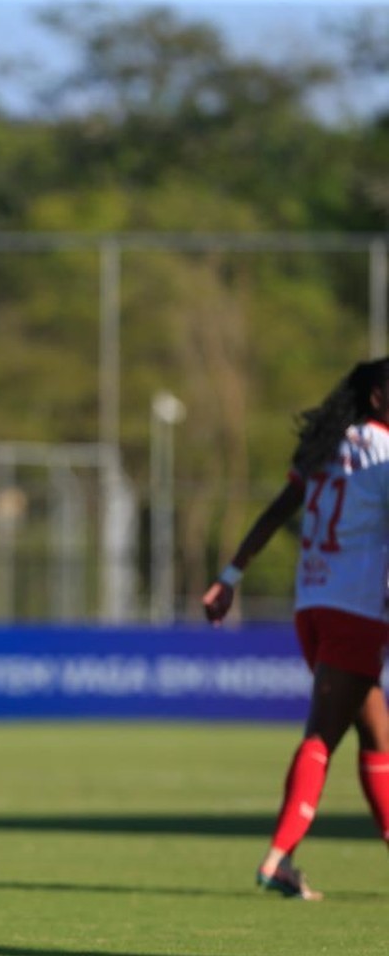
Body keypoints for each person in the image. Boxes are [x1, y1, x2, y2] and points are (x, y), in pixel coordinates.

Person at [202, 356, 389, 901]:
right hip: (356, 606)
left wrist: (230, 575)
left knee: (376, 734)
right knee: (322, 734)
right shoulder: (383, 450)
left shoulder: (325, 448)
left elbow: (278, 509)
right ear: (377, 397)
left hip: (311, 604)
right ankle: (279, 856)